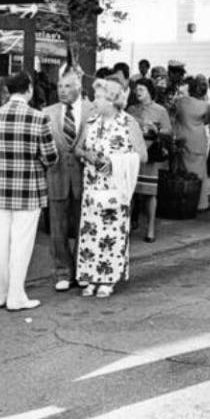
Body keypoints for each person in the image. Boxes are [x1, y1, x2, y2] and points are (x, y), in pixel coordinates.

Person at [0, 71, 58, 311]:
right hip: (28, 188)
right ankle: (16, 295)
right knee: (21, 244)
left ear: (7, 91)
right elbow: (50, 156)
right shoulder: (38, 118)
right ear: (29, 89)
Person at [75, 78, 146, 298]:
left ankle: (107, 278)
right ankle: (90, 276)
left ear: (112, 100)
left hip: (115, 186)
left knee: (110, 233)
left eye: (99, 97)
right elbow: (77, 147)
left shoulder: (128, 122)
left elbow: (142, 155)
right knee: (89, 232)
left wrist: (115, 162)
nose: (94, 101)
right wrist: (87, 155)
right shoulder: (91, 121)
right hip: (92, 186)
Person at [43, 70, 94, 291]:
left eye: (67, 86)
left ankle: (84, 270)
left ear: (79, 87)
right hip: (57, 175)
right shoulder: (47, 112)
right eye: (59, 86)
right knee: (58, 228)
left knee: (86, 226)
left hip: (86, 177)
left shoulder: (93, 111)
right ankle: (63, 272)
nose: (61, 90)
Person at [127, 78, 172, 242]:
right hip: (133, 154)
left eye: (141, 89)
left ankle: (151, 228)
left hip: (151, 154)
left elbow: (169, 131)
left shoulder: (160, 110)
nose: (138, 92)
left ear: (149, 92)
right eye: (137, 89)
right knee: (130, 193)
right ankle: (126, 227)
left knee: (150, 194)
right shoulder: (131, 109)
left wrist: (157, 129)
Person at [174, 75, 210, 210]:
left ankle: (183, 200)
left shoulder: (180, 102)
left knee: (183, 168)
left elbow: (174, 115)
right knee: (200, 170)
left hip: (183, 137)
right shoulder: (205, 106)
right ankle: (200, 203)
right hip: (199, 138)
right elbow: (208, 121)